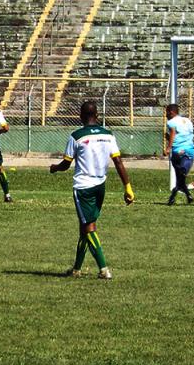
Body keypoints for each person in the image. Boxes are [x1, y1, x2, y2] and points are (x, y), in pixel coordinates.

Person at [50, 101, 135, 280]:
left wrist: (54, 168)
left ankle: (104, 269)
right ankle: (76, 269)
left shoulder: (76, 136)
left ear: (80, 116)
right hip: (100, 186)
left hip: (83, 188)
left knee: (89, 228)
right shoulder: (108, 135)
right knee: (85, 227)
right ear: (97, 115)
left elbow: (66, 164)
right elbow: (118, 162)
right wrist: (127, 187)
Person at [164, 103, 194, 205]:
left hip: (177, 151)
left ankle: (174, 195)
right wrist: (168, 138)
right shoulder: (187, 120)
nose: (166, 115)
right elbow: (185, 135)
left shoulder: (171, 122)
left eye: (167, 112)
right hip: (189, 150)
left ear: (171, 112)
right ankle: (186, 195)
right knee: (181, 177)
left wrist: (168, 147)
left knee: (180, 176)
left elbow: (173, 133)